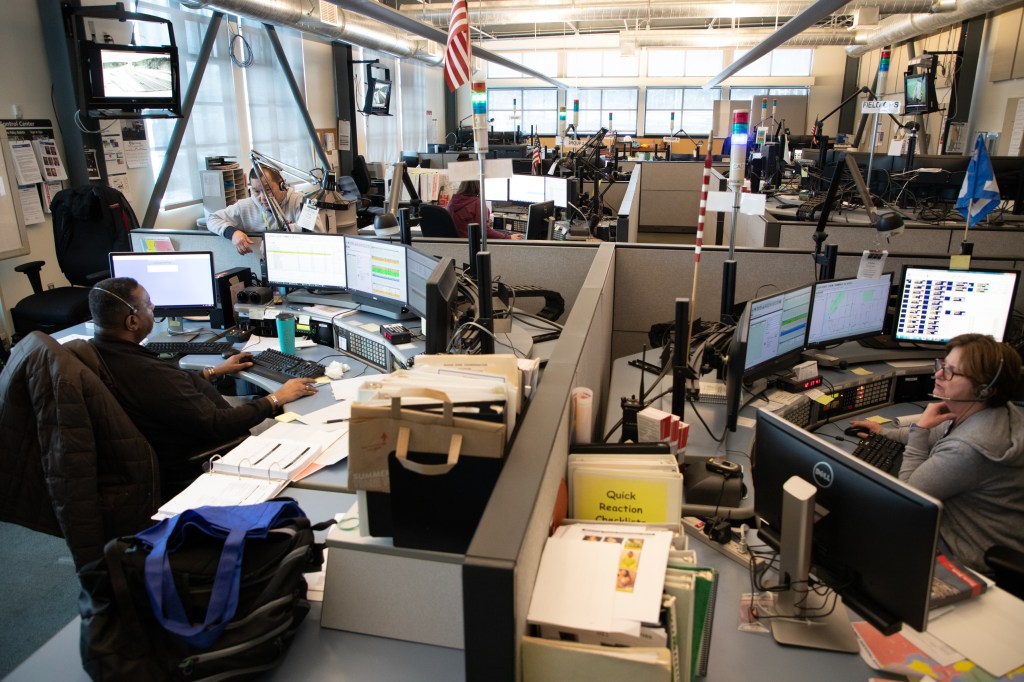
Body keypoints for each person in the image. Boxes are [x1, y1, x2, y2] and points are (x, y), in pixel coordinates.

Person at [87, 277, 319, 499]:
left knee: (257, 402)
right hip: (214, 441)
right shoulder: (145, 371)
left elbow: (164, 394)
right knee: (301, 428)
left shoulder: (98, 353)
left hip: (192, 424)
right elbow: (218, 424)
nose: (153, 307)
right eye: (148, 304)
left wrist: (214, 371)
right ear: (132, 322)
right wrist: (276, 398)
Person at [849, 333, 1024, 575]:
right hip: (991, 533)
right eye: (942, 365)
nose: (938, 375)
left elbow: (909, 498)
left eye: (951, 372)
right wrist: (885, 433)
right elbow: (938, 430)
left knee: (857, 517)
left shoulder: (968, 450)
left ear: (984, 390)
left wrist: (920, 429)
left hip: (967, 555)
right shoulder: (993, 410)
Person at [207, 166, 324, 255]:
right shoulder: (245, 206)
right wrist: (232, 233)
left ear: (282, 185)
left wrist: (274, 238)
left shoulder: (302, 201)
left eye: (267, 190)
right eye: (256, 191)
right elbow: (212, 219)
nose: (263, 198)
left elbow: (317, 232)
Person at [446, 181, 524, 240]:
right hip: (472, 246)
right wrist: (509, 237)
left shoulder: (453, 201)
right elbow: (485, 231)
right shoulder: (476, 202)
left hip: (457, 245)